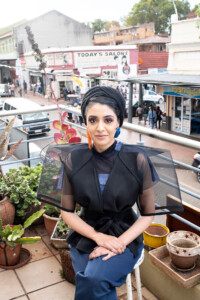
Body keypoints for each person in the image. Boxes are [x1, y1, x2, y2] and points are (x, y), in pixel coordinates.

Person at [37, 86, 183, 300]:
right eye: (92, 120)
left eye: (108, 120)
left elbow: (148, 216)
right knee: (91, 278)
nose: (100, 128)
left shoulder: (137, 160)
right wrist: (98, 237)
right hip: (85, 234)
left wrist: (118, 243)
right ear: (85, 122)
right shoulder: (73, 159)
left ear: (118, 122)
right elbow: (67, 213)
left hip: (125, 234)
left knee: (92, 279)